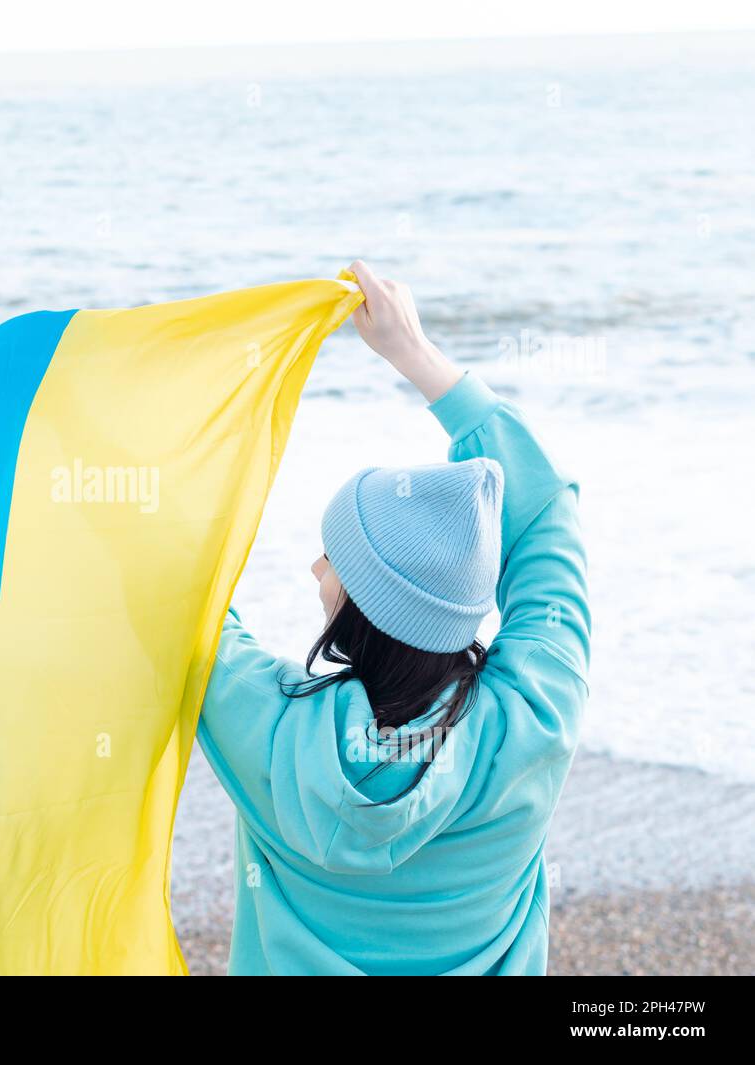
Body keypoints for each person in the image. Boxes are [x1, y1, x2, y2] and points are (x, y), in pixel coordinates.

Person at [197, 261, 591, 975]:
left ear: (366, 608)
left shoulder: (271, 728)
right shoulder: (533, 718)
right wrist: (419, 356)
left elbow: (179, 595)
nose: (316, 568)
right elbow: (548, 518)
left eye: (334, 558)